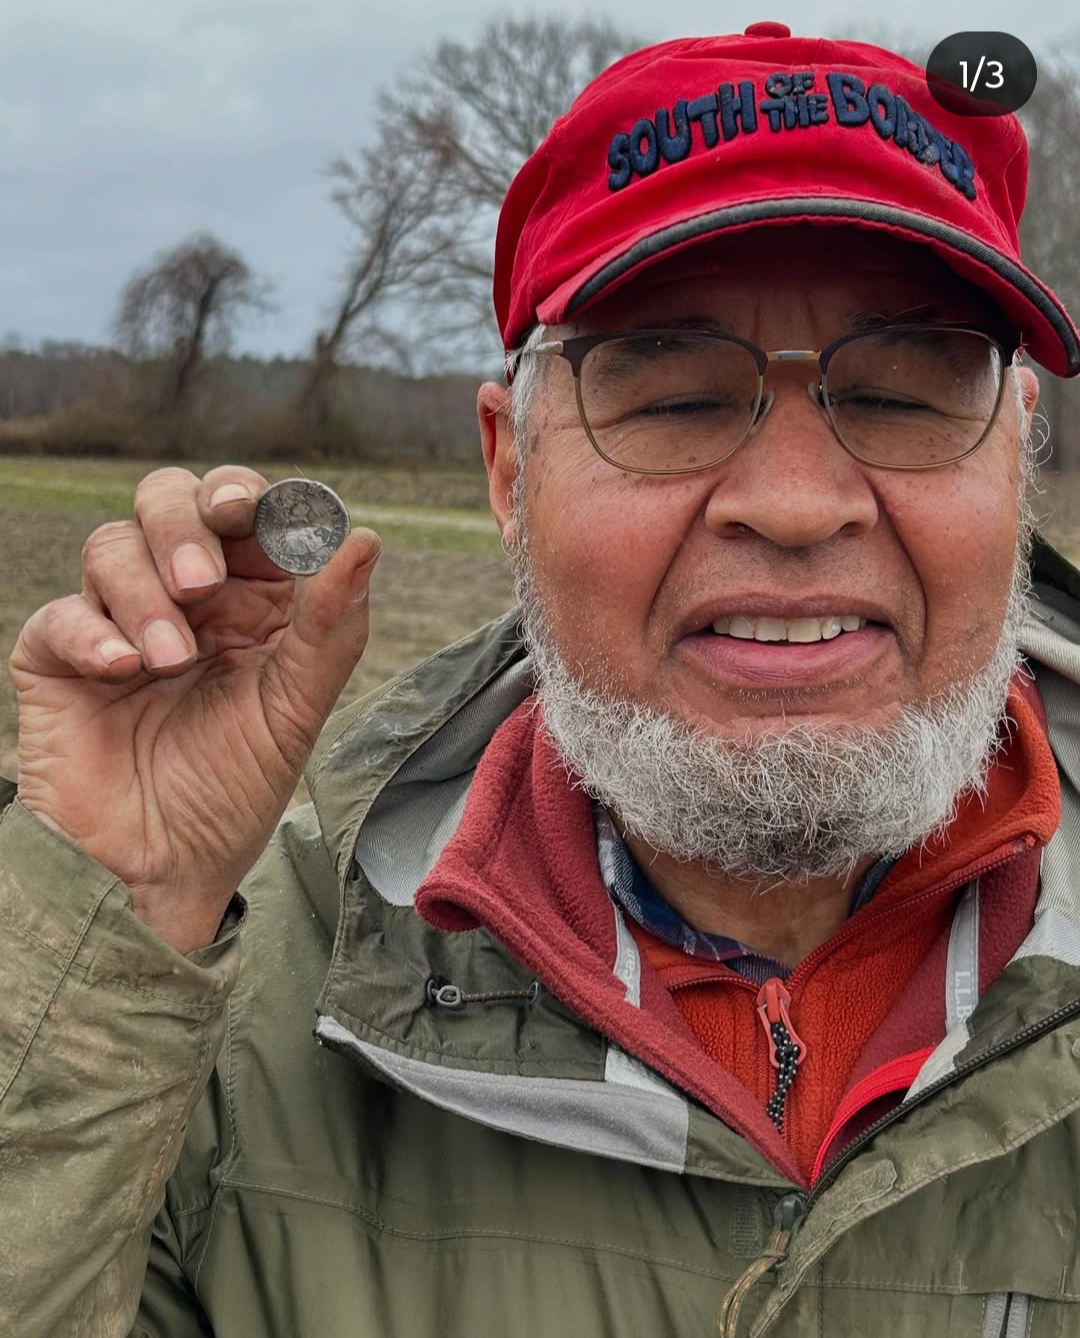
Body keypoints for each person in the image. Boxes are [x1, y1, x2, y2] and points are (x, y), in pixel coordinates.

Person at [3, 24, 1080, 1338]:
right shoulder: (213, 1007)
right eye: (674, 399)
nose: (798, 503)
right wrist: (98, 941)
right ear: (511, 474)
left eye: (905, 395)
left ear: (1018, 455)